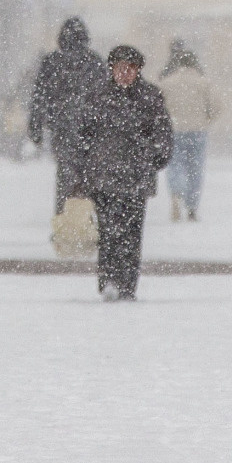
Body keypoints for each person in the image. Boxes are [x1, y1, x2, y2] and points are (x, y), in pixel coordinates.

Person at [81, 44, 173, 299]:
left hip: (136, 177)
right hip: (104, 177)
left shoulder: (150, 97)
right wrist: (85, 167)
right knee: (108, 232)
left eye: (131, 68)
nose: (125, 73)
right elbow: (83, 135)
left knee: (131, 235)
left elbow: (163, 133)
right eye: (121, 68)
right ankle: (109, 280)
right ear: (112, 69)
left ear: (138, 70)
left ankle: (127, 285)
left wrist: (155, 157)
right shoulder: (97, 96)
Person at [28, 17, 107, 210]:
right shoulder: (94, 61)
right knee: (91, 175)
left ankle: (65, 216)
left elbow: (39, 97)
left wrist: (36, 127)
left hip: (61, 129)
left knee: (65, 174)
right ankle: (86, 216)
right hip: (91, 129)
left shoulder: (52, 62)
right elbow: (106, 96)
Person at [158, 40, 215, 222]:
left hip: (174, 130)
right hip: (198, 130)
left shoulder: (166, 83)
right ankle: (191, 206)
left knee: (175, 164)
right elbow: (216, 107)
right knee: (195, 168)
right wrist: (206, 119)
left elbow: (158, 107)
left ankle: (176, 191)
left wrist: (165, 122)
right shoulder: (202, 82)